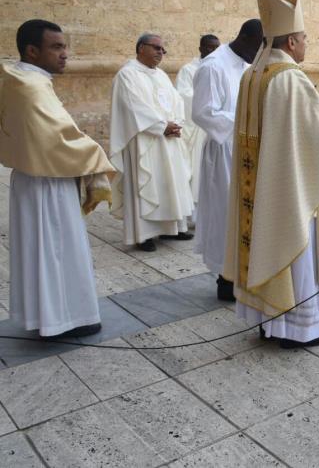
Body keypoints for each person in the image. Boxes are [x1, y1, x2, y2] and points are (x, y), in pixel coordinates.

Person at [223, 0, 319, 349]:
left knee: (264, 240)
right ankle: (298, 328)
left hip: (261, 187)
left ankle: (268, 322)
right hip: (288, 188)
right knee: (293, 250)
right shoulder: (291, 79)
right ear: (292, 41)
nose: (307, 44)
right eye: (305, 38)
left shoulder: (252, 75)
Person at [1, 20, 115, 338]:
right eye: (56, 47)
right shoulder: (30, 86)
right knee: (56, 249)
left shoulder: (22, 79)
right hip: (47, 182)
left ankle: (50, 316)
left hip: (38, 176)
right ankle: (63, 319)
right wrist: (97, 155)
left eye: (64, 46)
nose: (65, 54)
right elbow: (59, 138)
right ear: (32, 51)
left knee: (45, 250)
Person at [191, 19, 262, 300]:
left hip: (246, 151)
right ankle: (226, 278)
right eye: (257, 47)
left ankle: (243, 273)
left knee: (246, 217)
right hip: (224, 153)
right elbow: (203, 112)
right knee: (226, 216)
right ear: (244, 38)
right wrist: (247, 121)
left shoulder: (247, 63)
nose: (258, 56)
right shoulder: (213, 66)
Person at [109, 33, 194, 252]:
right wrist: (160, 126)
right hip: (145, 140)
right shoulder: (127, 75)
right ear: (140, 48)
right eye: (156, 48)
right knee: (148, 184)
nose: (160, 53)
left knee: (170, 183)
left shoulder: (162, 75)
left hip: (169, 139)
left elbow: (177, 101)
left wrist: (177, 123)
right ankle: (144, 234)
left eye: (163, 50)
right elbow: (133, 106)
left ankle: (172, 228)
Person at [174, 34, 220, 210]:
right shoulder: (188, 70)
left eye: (217, 48)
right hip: (196, 127)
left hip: (215, 127)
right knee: (195, 168)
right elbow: (182, 94)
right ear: (200, 48)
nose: (213, 51)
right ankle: (193, 211)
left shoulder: (219, 68)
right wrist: (208, 101)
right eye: (210, 47)